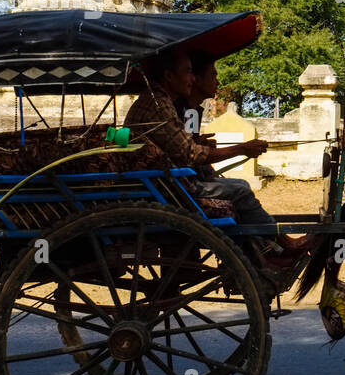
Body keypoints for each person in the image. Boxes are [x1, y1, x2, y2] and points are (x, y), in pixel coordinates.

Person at [122, 48, 304, 276]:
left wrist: (202, 143)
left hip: (165, 182)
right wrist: (241, 149)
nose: (192, 78)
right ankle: (283, 243)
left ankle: (262, 254)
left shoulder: (163, 102)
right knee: (241, 189)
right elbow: (190, 154)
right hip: (166, 187)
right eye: (188, 72)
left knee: (232, 186)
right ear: (169, 76)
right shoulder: (158, 105)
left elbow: (179, 145)